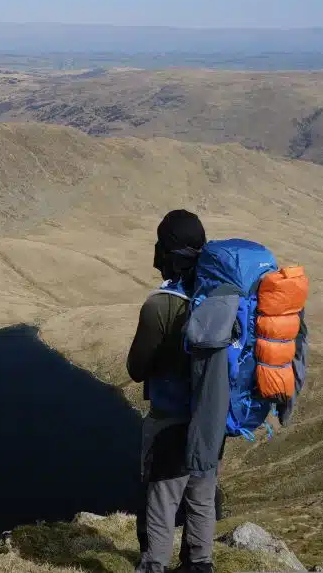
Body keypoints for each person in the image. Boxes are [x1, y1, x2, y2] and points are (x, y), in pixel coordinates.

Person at [127, 210, 218, 573]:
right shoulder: (219, 299)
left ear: (165, 253)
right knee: (201, 496)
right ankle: (199, 564)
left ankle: (153, 565)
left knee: (161, 498)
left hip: (169, 421)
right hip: (211, 419)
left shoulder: (160, 305)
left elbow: (136, 370)